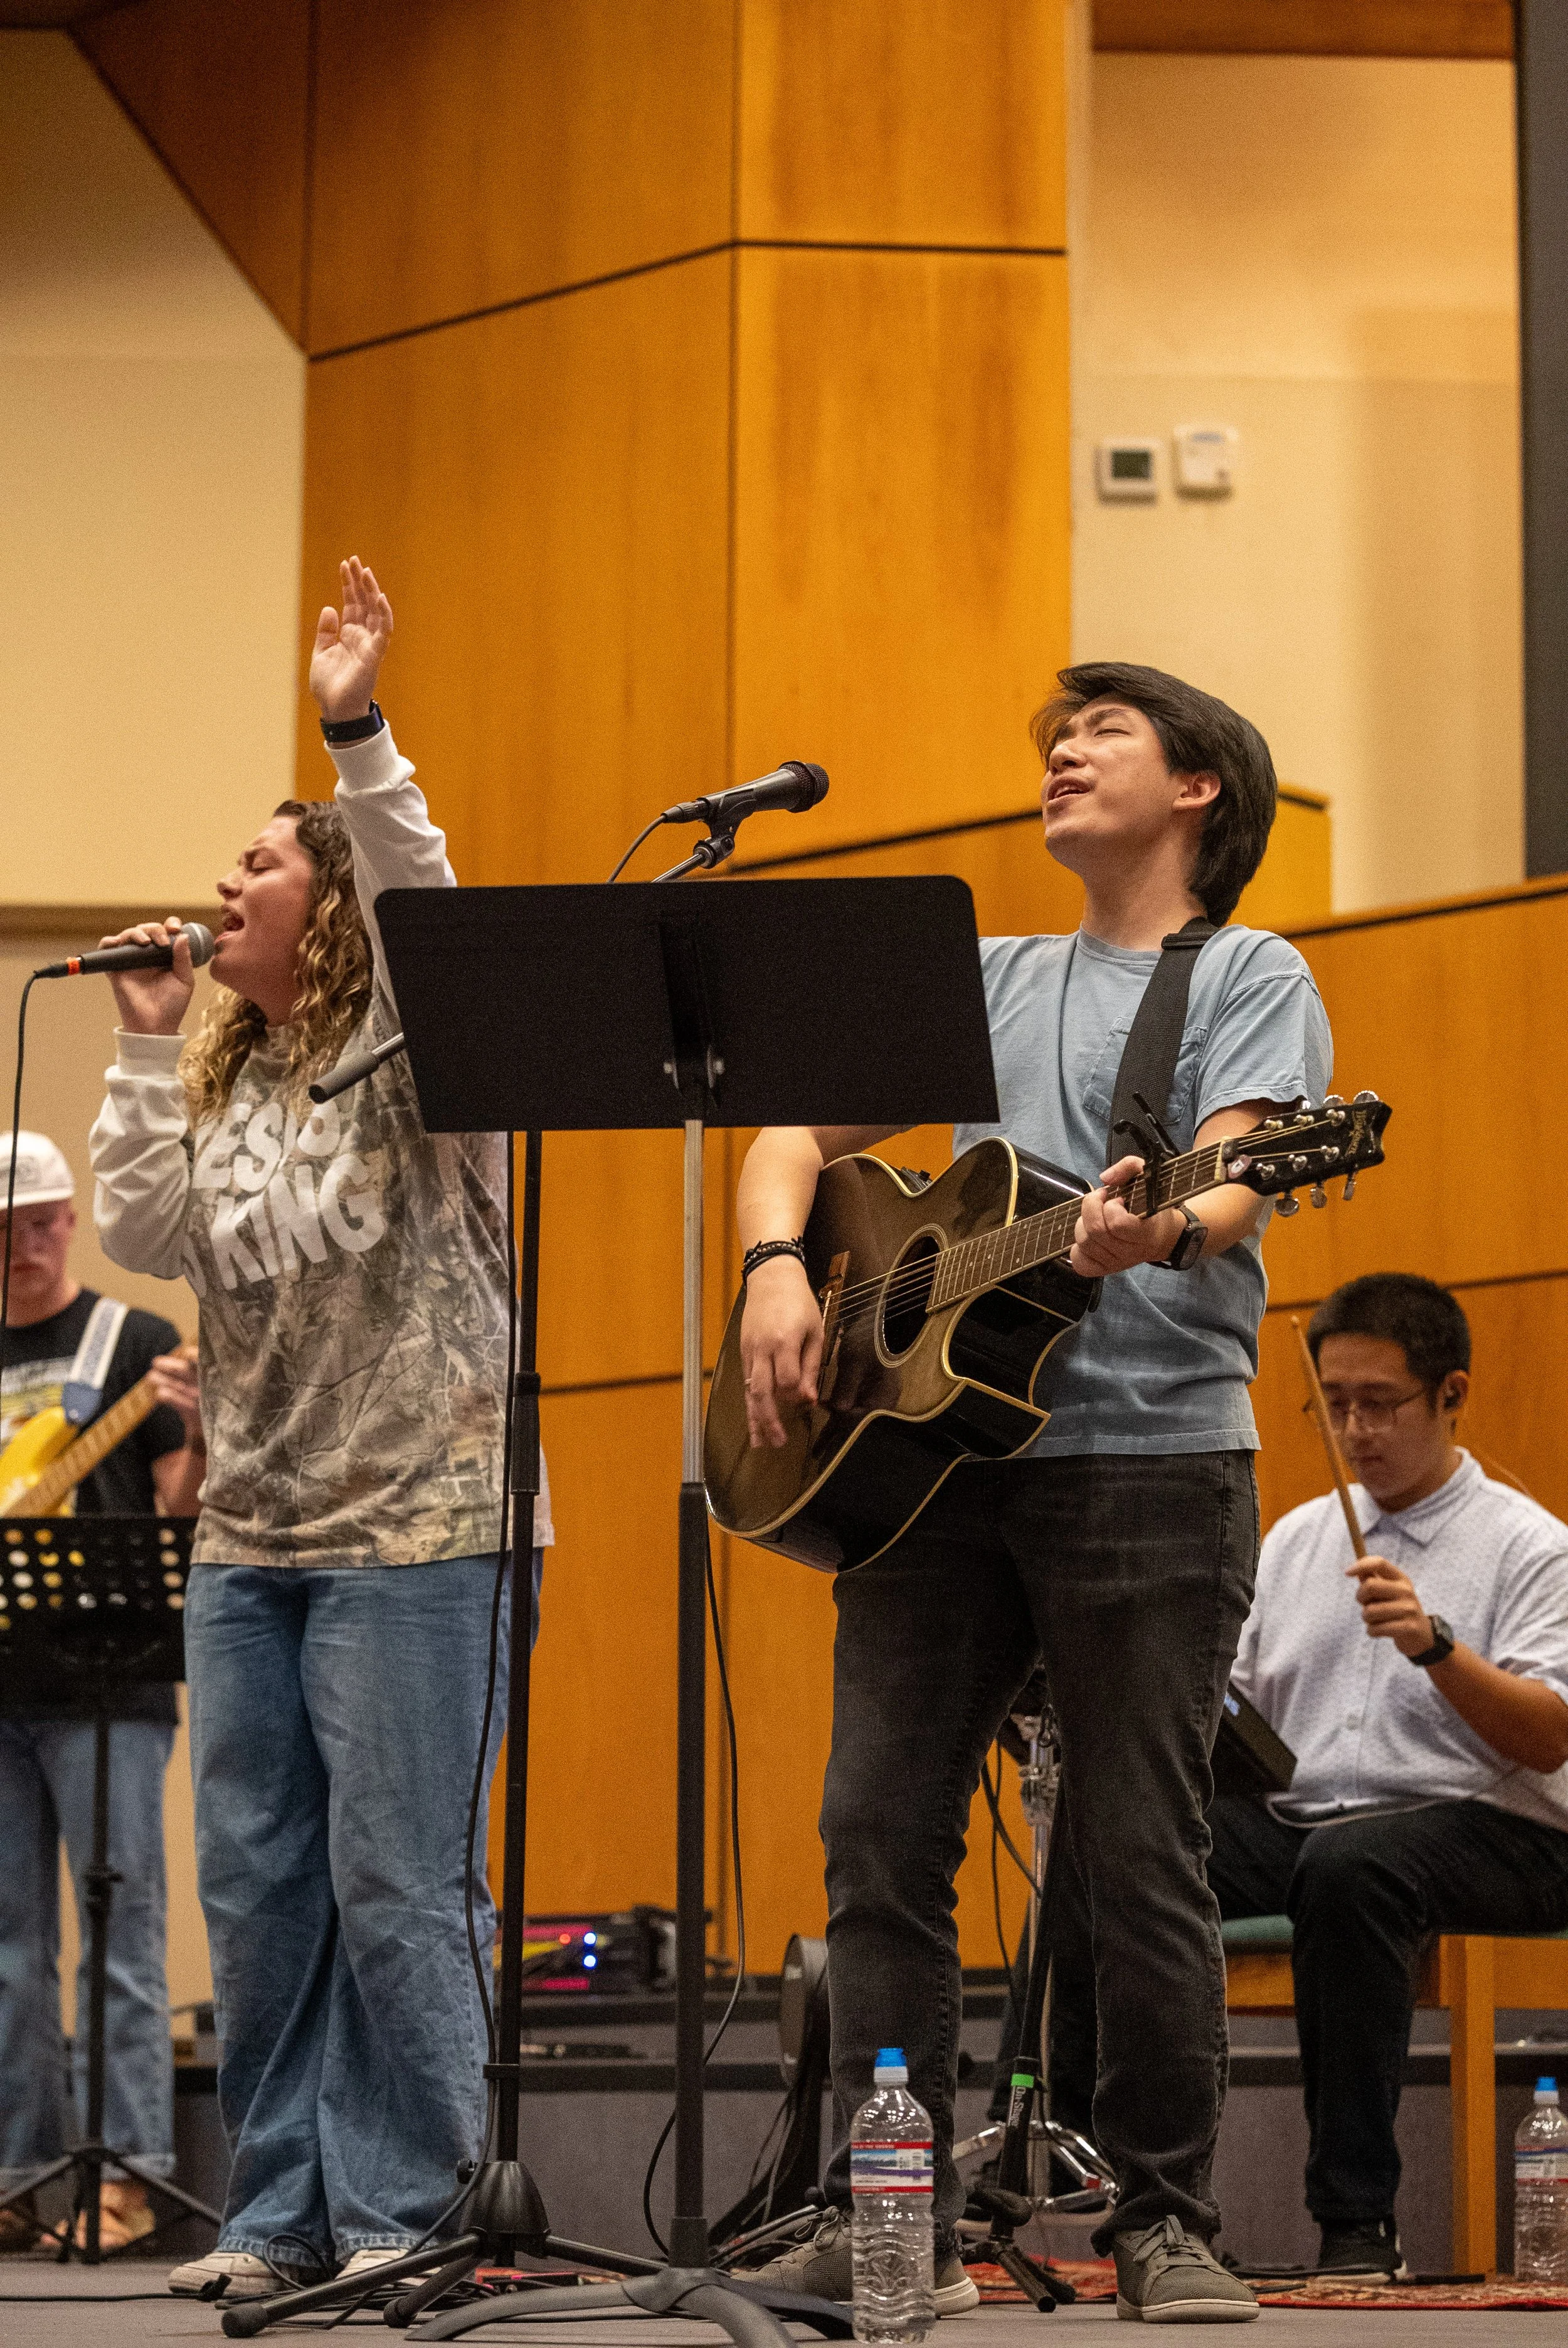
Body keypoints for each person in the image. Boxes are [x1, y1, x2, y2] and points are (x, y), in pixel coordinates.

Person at [738, 662, 1332, 2322]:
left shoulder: (1247, 972)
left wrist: (1166, 1226)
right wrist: (778, 1268)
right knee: (875, 1832)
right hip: (930, 1480)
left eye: (1101, 733)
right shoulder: (986, 972)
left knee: (1137, 1848)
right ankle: (895, 2221)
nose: (1060, 754)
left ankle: (1164, 2217)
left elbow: (1228, 1179)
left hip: (1148, 1463)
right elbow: (783, 1133)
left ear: (1199, 785)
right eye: (1052, 738)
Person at [88, 558, 551, 2303]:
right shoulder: (233, 1072)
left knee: (395, 1875)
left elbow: (428, 898)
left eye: (258, 863)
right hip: (258, 1532)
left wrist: (355, 724)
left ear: (332, 898)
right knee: (268, 1882)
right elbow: (150, 1232)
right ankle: (278, 2202)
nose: (221, 889)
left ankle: (409, 2196)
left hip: (427, 1520)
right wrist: (145, 1047)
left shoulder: (416, 1051)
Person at [1213, 1273, 1568, 2275]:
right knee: (1135, 1840)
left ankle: (1357, 2221)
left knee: (1350, 1865)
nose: (1355, 1429)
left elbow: (1549, 1736)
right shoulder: (1295, 1541)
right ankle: (1125, 2181)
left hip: (1501, 1826)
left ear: (1451, 1394)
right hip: (1318, 1819)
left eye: (1381, 1403)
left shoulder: (1528, 1545)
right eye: (1335, 1405)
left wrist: (1437, 1645)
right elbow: (1241, 1713)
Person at [0, 1130, 203, 2253]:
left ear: (72, 1218)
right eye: (4, 1230)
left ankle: (126, 2174)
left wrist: (200, 1428)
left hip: (110, 1679)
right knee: (7, 1945)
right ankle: (22, 2173)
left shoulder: (137, 1340)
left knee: (122, 1932)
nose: (23, 1247)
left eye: (39, 1223)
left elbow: (180, 1509)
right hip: (1, 1683)